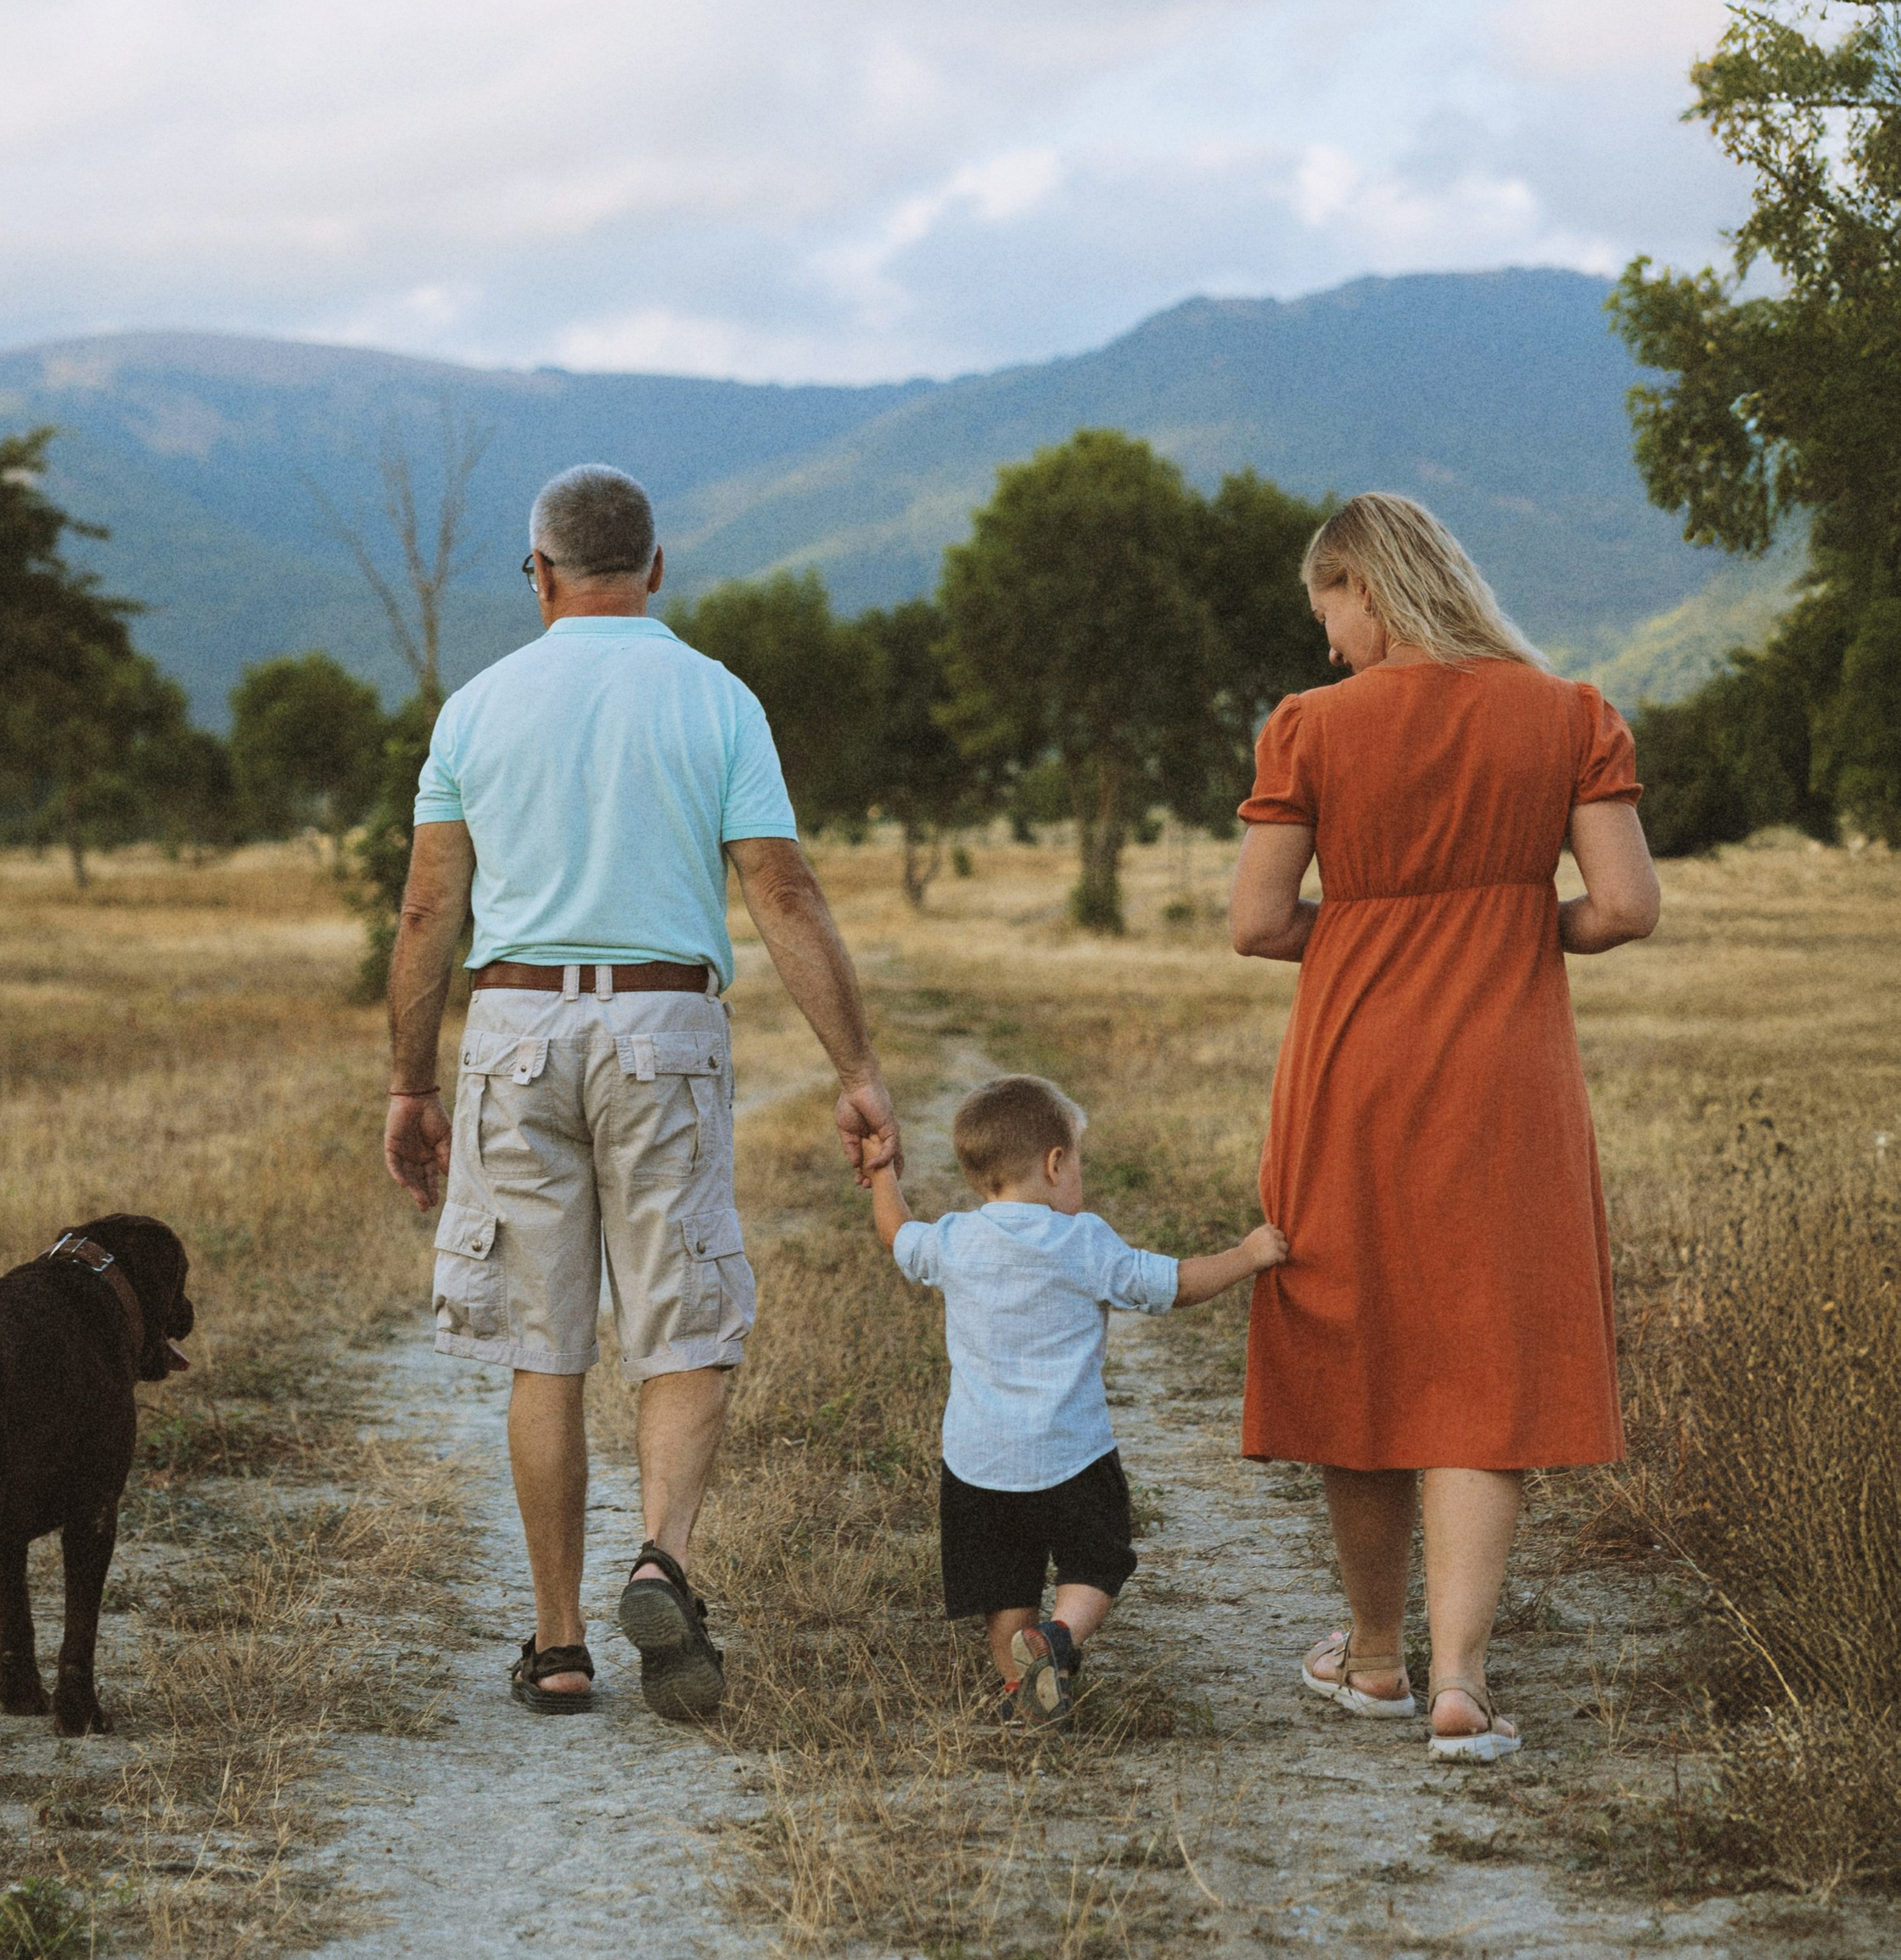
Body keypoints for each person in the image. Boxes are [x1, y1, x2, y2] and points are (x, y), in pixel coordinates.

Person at [382, 463, 900, 1724]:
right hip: (666, 1024)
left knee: (542, 1348)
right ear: (656, 569)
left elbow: (426, 911)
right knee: (687, 1323)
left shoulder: (479, 709)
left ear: (541, 572)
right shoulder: (717, 697)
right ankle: (663, 1556)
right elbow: (783, 894)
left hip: (514, 1026)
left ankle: (559, 1645)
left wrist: (409, 1084)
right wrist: (856, 1070)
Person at [1229, 491, 1659, 1763]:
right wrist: (1516, 926)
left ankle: (1373, 1660)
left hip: (1353, 1066)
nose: (1326, 646)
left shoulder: (1309, 728)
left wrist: (1372, 929)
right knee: (1480, 1355)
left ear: (1365, 583)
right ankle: (1462, 1679)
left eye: (1331, 612)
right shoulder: (1570, 712)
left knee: (1361, 1337)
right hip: (1509, 1075)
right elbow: (1626, 905)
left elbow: (1258, 923)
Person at [869, 1072, 1288, 1723]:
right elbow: (1173, 1284)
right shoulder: (1083, 1240)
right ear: (1055, 1163)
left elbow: (897, 1234)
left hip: (979, 1461)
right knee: (1096, 1562)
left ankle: (1021, 1690)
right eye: (1078, 1162)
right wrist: (1247, 1253)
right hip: (1072, 1453)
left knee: (1004, 1587)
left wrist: (883, 1173)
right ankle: (1060, 1639)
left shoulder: (953, 1239)